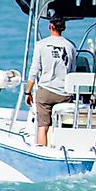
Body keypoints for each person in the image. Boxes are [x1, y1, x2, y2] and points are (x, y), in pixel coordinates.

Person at [24, 16, 77, 146]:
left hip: (45, 92)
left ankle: (42, 151)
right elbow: (73, 72)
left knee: (42, 126)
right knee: (62, 127)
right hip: (64, 94)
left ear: (50, 26)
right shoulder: (70, 46)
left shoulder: (41, 44)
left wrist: (27, 92)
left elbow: (34, 70)